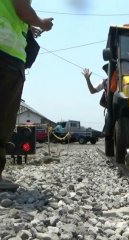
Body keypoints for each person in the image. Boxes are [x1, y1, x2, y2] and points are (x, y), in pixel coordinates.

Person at [0, 0, 53, 190]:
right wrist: (41, 22)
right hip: (6, 56)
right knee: (3, 119)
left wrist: (29, 28)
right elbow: (22, 8)